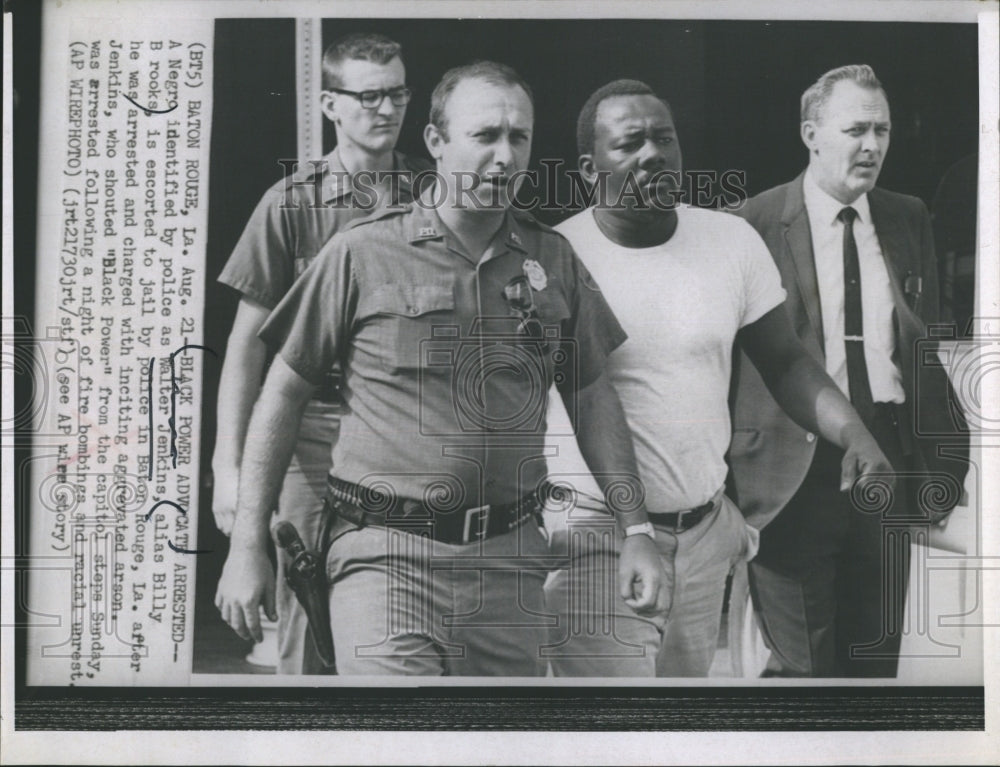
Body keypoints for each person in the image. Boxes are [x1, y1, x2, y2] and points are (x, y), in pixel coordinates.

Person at [214, 61, 668, 676]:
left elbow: (593, 394)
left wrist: (635, 527)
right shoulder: (361, 252)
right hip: (384, 558)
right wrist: (247, 545)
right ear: (435, 143)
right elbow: (282, 393)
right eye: (485, 136)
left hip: (510, 564)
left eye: (519, 137)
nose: (504, 156)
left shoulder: (551, 259)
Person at [542, 79, 893, 677]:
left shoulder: (729, 240)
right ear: (588, 167)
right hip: (596, 540)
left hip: (702, 536)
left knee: (684, 728)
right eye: (629, 143)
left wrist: (854, 434)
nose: (652, 154)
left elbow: (785, 361)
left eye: (664, 139)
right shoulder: (556, 257)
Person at [730, 64, 969, 677]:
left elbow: (920, 353)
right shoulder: (748, 226)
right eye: (856, 129)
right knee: (806, 675)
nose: (873, 145)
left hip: (887, 466)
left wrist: (941, 461)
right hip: (791, 475)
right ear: (811, 133)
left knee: (874, 667)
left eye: (882, 130)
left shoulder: (908, 215)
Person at [211, 32, 428, 674]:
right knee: (305, 611)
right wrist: (230, 468)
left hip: (400, 433)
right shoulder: (290, 204)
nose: (385, 109)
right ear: (331, 105)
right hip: (307, 435)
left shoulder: (434, 196)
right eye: (368, 96)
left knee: (399, 609)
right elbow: (246, 352)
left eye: (397, 93)